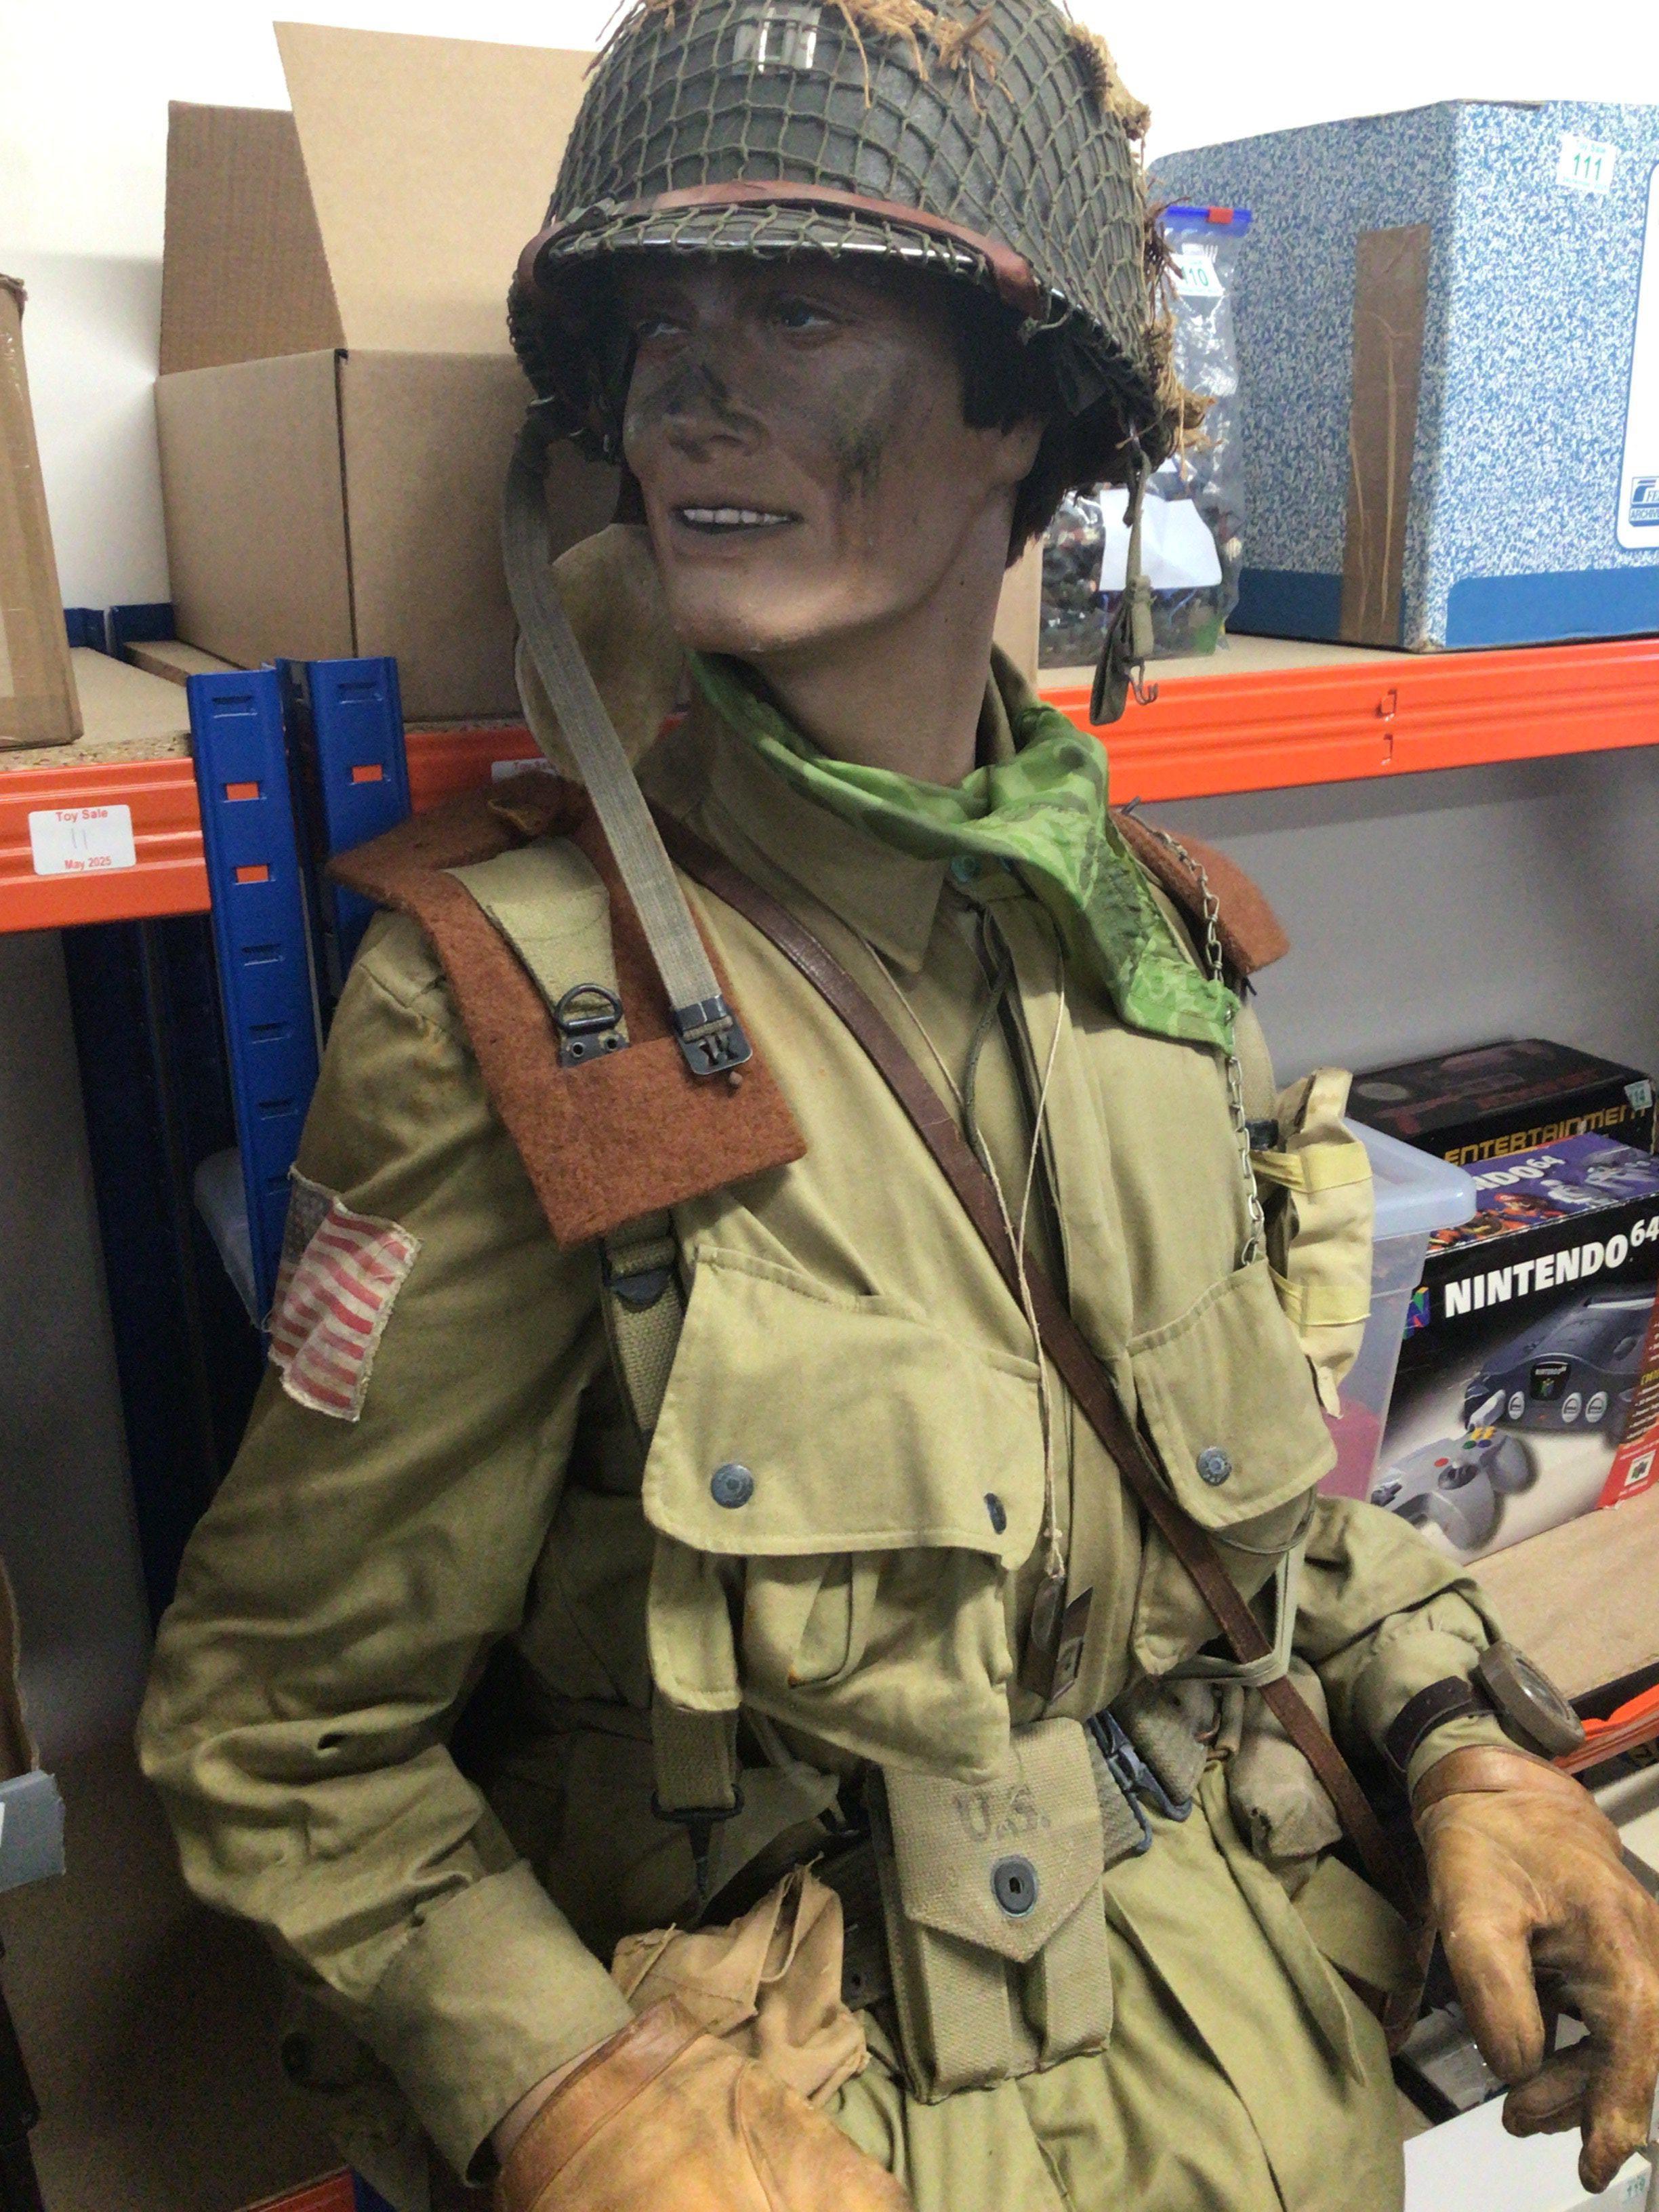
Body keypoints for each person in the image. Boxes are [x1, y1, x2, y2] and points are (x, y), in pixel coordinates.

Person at [138, 3, 1659, 2207]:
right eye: (656, 332)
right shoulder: (539, 1027)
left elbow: (1250, 1525)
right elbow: (282, 1735)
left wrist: (1461, 1741)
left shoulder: (1147, 954)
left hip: (1263, 2051)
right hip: (829, 2115)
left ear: (1027, 404)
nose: (689, 398)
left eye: (800, 313)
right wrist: (571, 2091)